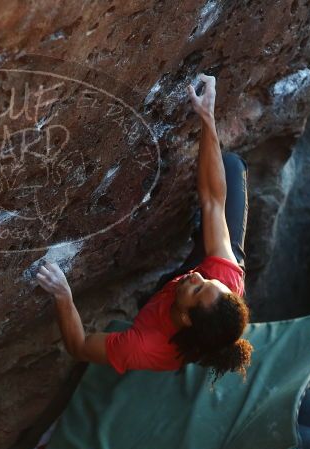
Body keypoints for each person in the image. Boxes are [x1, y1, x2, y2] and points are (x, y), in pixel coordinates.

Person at [36, 73, 253, 382]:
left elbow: (79, 345)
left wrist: (63, 295)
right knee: (230, 166)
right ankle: (199, 239)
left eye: (197, 288)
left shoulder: (145, 347)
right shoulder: (222, 279)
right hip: (211, 268)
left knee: (166, 287)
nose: (196, 277)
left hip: (171, 318)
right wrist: (207, 117)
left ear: (186, 319)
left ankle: (181, 267)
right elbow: (213, 203)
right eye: (207, 281)